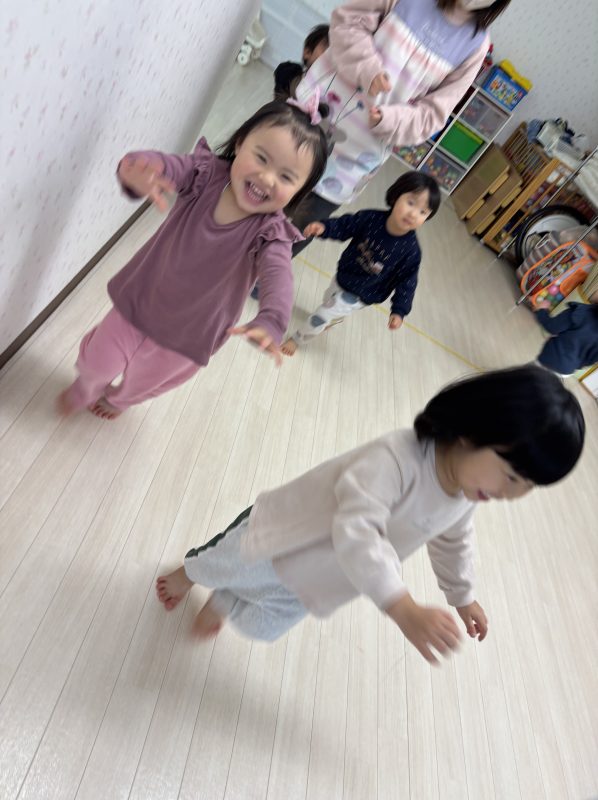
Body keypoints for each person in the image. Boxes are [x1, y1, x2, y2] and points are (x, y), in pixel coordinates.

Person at [156, 365, 585, 663]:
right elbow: (356, 530)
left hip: (326, 574)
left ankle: (227, 598)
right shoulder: (397, 458)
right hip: (283, 535)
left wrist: (462, 595)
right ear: (474, 431)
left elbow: (454, 542)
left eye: (528, 486)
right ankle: (189, 574)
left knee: (263, 624)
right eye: (512, 476)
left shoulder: (465, 493)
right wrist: (402, 607)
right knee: (221, 564)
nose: (513, 495)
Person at [57, 98, 328, 419]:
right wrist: (139, 169)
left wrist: (272, 320)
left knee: (143, 382)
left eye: (286, 177)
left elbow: (279, 277)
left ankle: (119, 400)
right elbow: (166, 166)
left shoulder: (272, 233)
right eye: (261, 158)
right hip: (142, 298)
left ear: (299, 191)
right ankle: (87, 385)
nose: (268, 178)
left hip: (190, 334)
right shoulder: (205, 174)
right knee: (97, 361)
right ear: (240, 143)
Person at [290, 0, 512, 256]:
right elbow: (348, 22)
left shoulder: (476, 45)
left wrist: (391, 120)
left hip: (357, 155)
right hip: (312, 115)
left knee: (298, 229)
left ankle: (262, 275)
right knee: (264, 182)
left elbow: (434, 113)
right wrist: (368, 68)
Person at [281, 171, 439, 355]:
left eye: (423, 212)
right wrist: (324, 228)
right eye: (411, 203)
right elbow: (345, 226)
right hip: (345, 274)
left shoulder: (411, 251)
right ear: (396, 196)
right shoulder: (371, 219)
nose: (413, 214)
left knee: (323, 313)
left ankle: (297, 339)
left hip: (364, 292)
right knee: (329, 299)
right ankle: (331, 318)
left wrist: (399, 310)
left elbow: (407, 282)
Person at [535, 300, 598, 377]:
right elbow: (590, 361)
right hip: (567, 370)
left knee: (527, 379)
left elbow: (552, 327)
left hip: (550, 359)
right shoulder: (581, 311)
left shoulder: (580, 311)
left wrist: (541, 310)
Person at [273, 24, 331, 101]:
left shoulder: (329, 96)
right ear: (308, 52)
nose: (333, 59)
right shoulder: (289, 76)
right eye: (327, 50)